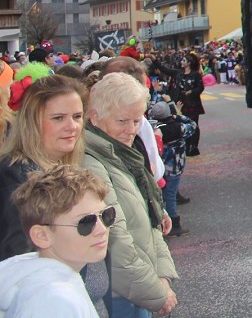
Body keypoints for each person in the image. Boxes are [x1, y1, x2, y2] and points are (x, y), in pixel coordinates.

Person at [83, 73, 178, 317]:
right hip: (122, 295)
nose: (132, 130)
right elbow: (116, 238)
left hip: (136, 286)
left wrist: (162, 277)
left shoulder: (119, 152)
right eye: (123, 121)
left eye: (137, 121)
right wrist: (157, 291)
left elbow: (147, 218)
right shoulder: (92, 163)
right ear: (95, 116)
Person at [0, 164, 112, 318]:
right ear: (42, 236)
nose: (102, 229)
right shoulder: (55, 300)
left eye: (106, 215)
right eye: (86, 222)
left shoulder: (52, 284)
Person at [0, 75, 89, 262]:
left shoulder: (65, 168)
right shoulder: (16, 177)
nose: (72, 126)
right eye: (58, 118)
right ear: (32, 122)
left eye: (77, 116)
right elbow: (20, 259)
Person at [148, 102, 196, 238]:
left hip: (159, 167)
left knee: (162, 194)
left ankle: (161, 221)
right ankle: (174, 224)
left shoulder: (154, 128)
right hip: (174, 167)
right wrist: (178, 115)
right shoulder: (177, 127)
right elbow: (192, 125)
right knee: (170, 195)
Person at [170, 54, 204, 156]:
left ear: (189, 63)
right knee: (182, 124)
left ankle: (193, 147)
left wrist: (191, 92)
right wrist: (155, 61)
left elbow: (200, 88)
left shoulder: (195, 75)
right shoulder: (179, 73)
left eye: (184, 60)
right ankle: (185, 145)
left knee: (194, 124)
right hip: (181, 103)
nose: (181, 62)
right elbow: (166, 70)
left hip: (193, 104)